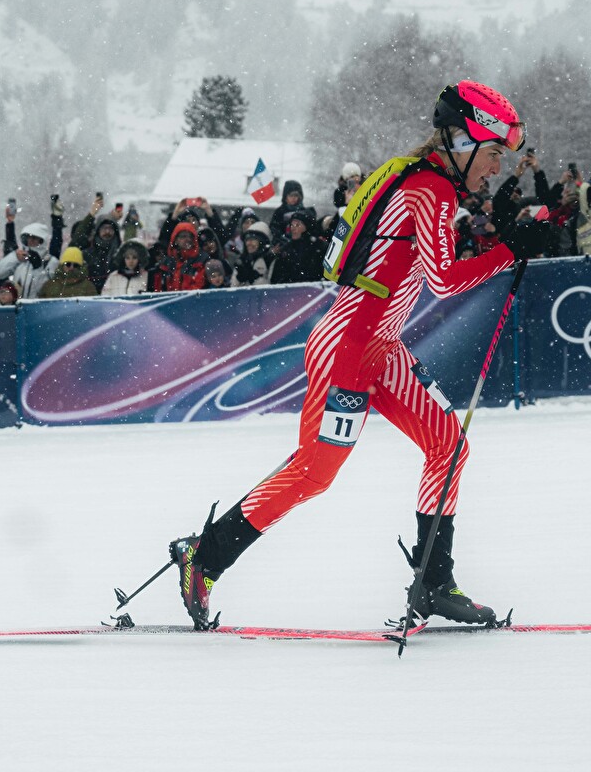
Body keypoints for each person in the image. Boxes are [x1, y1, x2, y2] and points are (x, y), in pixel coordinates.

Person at [169, 79, 531, 631]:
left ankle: (434, 582)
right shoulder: (431, 188)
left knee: (448, 444)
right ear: (464, 140)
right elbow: (444, 281)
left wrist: (506, 238)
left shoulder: (430, 184)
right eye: (494, 154)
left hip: (379, 347)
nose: (497, 168)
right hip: (348, 350)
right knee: (315, 473)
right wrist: (510, 251)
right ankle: (207, 555)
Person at [0, 222, 55, 299]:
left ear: (42, 241)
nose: (30, 241)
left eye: (34, 238)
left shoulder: (51, 261)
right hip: (18, 307)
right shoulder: (20, 258)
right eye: (27, 237)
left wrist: (37, 269)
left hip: (38, 307)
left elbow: (45, 290)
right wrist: (14, 258)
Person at [150, 222, 208, 292]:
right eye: (183, 236)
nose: (188, 239)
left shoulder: (202, 259)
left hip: (192, 300)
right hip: (168, 301)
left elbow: (199, 285)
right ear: (176, 240)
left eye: (190, 236)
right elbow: (158, 288)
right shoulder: (166, 262)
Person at [232, 221, 274, 287]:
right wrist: (239, 279)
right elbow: (232, 289)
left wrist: (257, 278)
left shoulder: (269, 260)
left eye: (253, 240)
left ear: (262, 242)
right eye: (247, 240)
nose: (249, 243)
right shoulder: (242, 261)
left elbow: (273, 289)